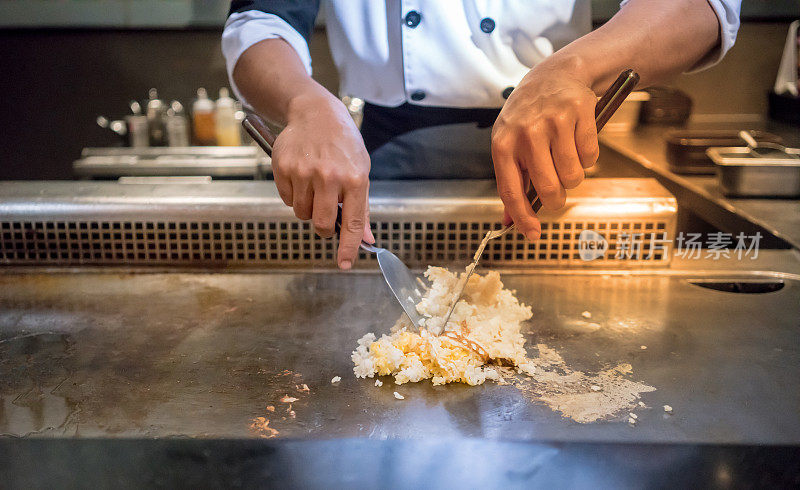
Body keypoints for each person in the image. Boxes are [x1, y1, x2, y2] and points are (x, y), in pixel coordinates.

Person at [223, 0, 741, 269]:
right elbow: (257, 21)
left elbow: (704, 8)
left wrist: (574, 68)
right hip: (384, 167)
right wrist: (304, 100)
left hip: (554, 153)